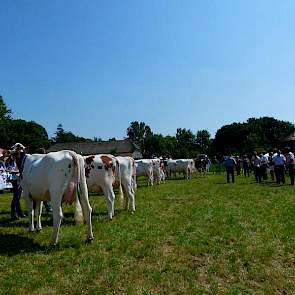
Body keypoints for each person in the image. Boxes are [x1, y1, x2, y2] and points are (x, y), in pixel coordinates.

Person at [6, 151, 25, 220]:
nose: (19, 156)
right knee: (16, 197)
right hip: (15, 180)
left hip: (19, 179)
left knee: (18, 197)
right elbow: (9, 170)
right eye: (18, 155)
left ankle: (19, 212)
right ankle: (13, 214)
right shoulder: (12, 161)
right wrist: (19, 171)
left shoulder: (19, 161)